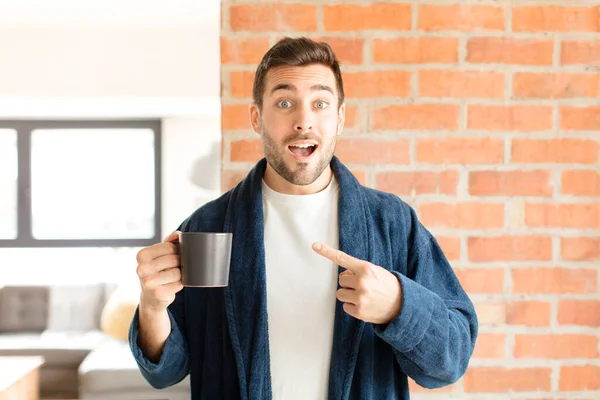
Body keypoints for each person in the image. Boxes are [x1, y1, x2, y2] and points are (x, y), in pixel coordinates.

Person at [129, 36, 478, 400]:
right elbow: (166, 372)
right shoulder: (208, 226)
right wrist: (152, 307)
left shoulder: (392, 224)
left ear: (340, 118)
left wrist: (398, 306)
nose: (303, 121)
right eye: (284, 103)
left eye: (320, 103)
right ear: (256, 117)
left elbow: (449, 363)